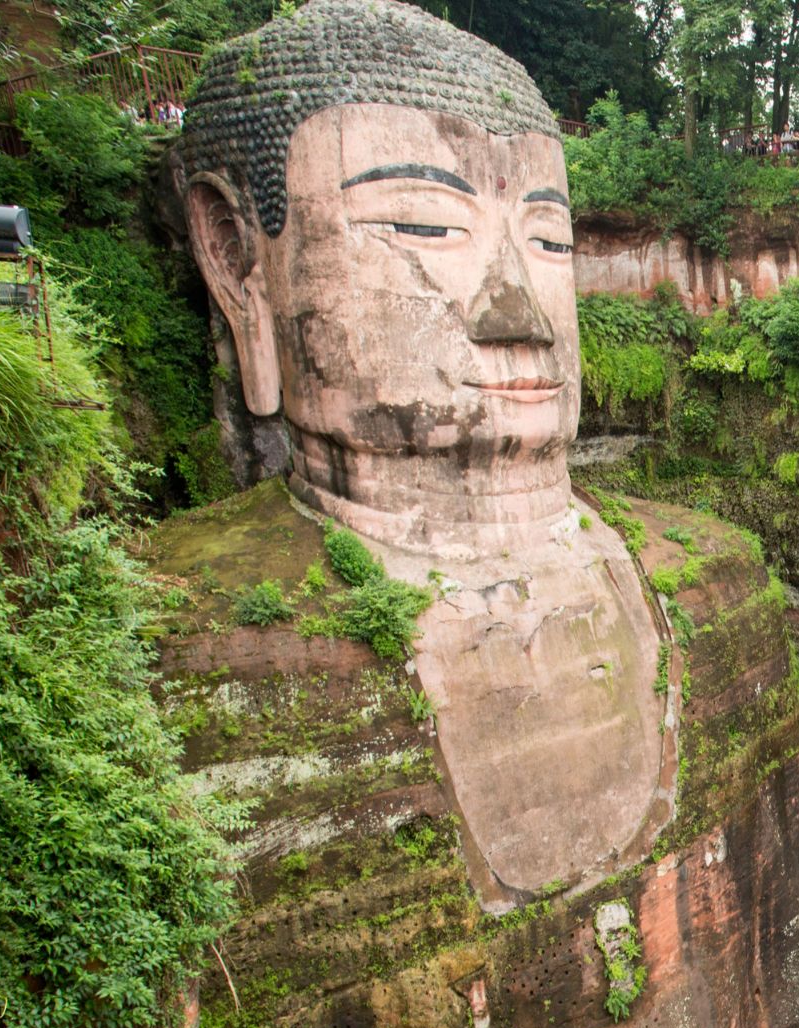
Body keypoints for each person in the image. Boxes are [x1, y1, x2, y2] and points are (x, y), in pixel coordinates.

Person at [178, 0, 669, 912]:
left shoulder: (704, 579)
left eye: (549, 240)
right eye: (423, 226)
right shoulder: (190, 672)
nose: (516, 313)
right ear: (239, 260)